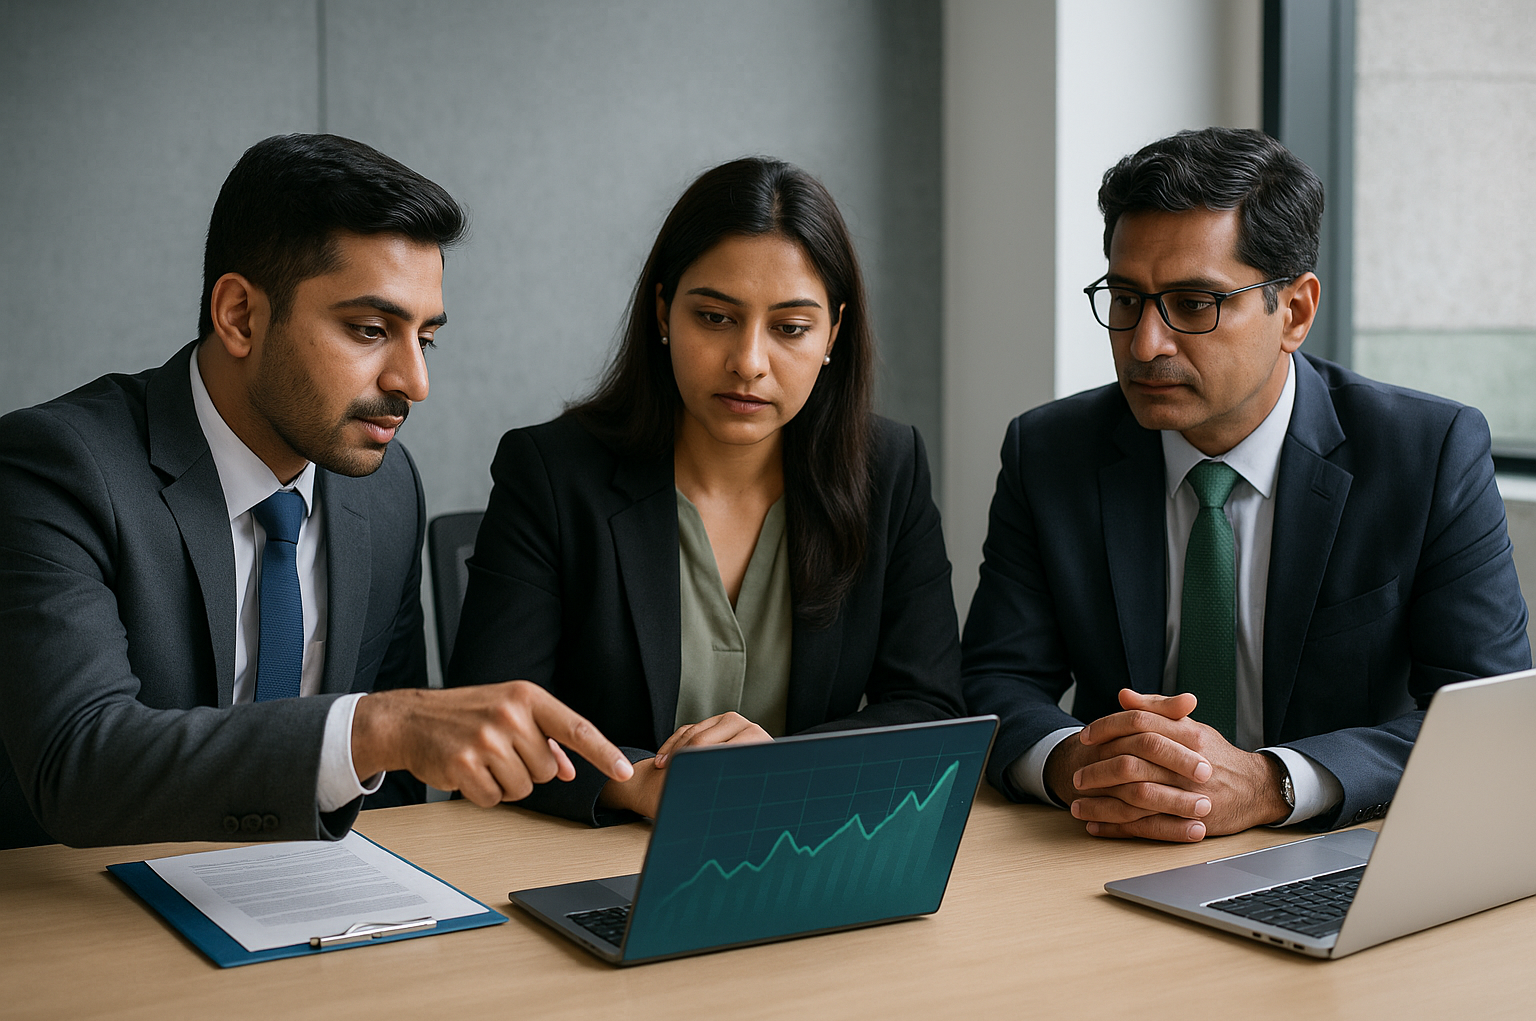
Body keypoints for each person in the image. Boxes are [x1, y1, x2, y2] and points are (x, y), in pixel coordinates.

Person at [0, 134, 631, 849]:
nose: (414, 384)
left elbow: (390, 794)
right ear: (239, 315)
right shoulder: (55, 468)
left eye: (425, 338)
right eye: (369, 330)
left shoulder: (386, 488)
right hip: (83, 920)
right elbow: (78, 765)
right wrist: (379, 726)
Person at [962, 127, 1529, 843]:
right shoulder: (1050, 453)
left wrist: (1272, 783)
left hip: (1335, 849)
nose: (1144, 345)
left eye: (1194, 305)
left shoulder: (1427, 453)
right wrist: (1074, 762)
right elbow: (993, 682)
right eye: (1127, 299)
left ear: (1293, 311)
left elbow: (1486, 718)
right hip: (1112, 848)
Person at [448, 156, 965, 825]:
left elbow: (930, 709)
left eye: (790, 328)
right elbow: (487, 723)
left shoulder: (889, 468)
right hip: (593, 861)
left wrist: (777, 767)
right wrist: (635, 781)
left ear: (833, 333)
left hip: (801, 848)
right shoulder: (550, 471)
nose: (749, 361)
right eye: (716, 317)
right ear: (664, 311)